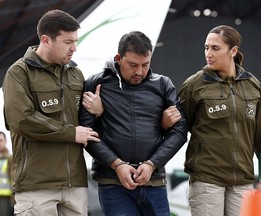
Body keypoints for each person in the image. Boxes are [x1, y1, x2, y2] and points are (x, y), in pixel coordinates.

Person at [79, 31, 188, 216]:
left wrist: (153, 164)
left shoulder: (163, 84)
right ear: (118, 58)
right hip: (113, 183)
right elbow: (86, 133)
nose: (139, 72)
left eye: (145, 65)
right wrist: (117, 164)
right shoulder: (97, 84)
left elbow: (179, 132)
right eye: (133, 65)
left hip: (154, 181)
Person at [2, 9, 99, 216]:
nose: (74, 48)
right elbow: (22, 120)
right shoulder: (19, 73)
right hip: (36, 186)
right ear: (46, 40)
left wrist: (98, 110)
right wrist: (71, 133)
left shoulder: (76, 74)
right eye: (67, 42)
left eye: (75, 41)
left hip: (75, 184)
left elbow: (85, 121)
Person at [178, 25, 261, 216]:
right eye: (206, 47)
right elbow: (178, 130)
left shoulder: (253, 85)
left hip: (243, 180)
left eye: (215, 48)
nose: (209, 53)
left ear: (233, 51)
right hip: (206, 180)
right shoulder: (194, 85)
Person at [0, 131, 13, 216]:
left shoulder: (10, 158)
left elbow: (13, 179)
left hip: (5, 198)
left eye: (0, 140)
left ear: (6, 141)